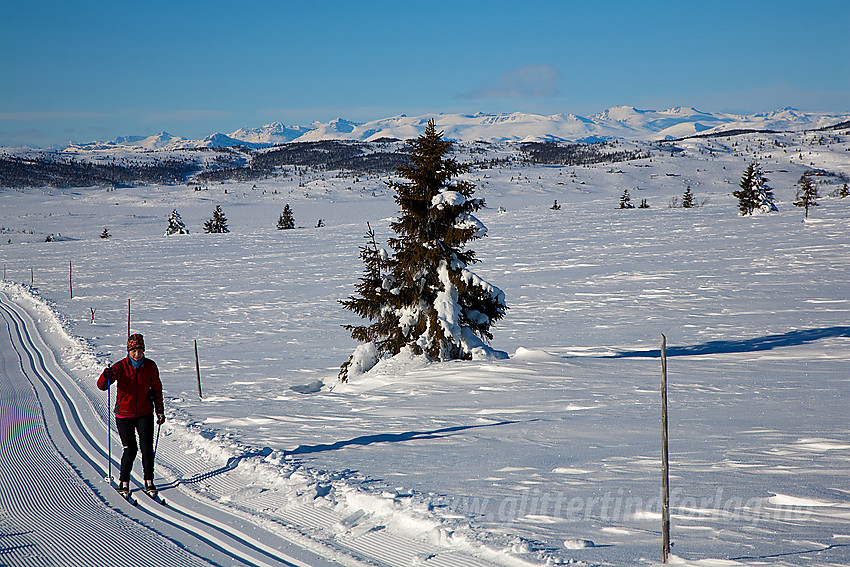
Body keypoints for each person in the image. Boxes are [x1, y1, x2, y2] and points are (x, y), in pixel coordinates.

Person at [98, 333, 165, 496]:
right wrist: (105, 376)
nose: (137, 354)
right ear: (128, 351)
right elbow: (102, 386)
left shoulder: (150, 366)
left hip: (145, 413)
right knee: (131, 449)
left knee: (147, 448)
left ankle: (149, 481)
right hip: (124, 415)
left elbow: (157, 390)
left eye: (140, 350)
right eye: (134, 351)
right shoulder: (120, 366)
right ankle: (124, 482)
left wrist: (160, 411)